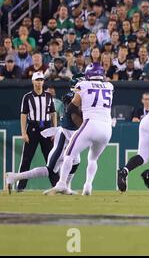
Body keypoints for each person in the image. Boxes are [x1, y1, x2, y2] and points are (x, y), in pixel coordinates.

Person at [44, 63, 114, 196]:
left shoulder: (83, 85)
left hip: (90, 124)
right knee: (93, 159)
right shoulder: (110, 86)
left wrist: (73, 107)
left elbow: (72, 107)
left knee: (69, 154)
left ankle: (62, 184)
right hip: (106, 128)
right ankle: (88, 185)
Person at [6, 76, 84, 194]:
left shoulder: (78, 97)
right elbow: (76, 115)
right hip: (64, 135)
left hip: (70, 135)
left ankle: (64, 186)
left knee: (75, 161)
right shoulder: (70, 98)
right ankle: (15, 177)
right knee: (50, 169)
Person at [16, 72, 58, 191]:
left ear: (43, 82)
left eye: (41, 80)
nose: (39, 82)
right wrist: (24, 132)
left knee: (51, 158)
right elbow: (23, 115)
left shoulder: (49, 96)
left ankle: (57, 185)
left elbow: (53, 114)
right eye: (37, 80)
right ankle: (20, 187)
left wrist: (54, 130)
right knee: (26, 159)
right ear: (33, 81)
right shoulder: (27, 97)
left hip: (47, 128)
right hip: (33, 129)